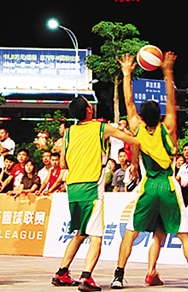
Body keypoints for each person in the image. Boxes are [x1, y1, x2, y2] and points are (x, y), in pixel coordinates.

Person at [110, 52, 188, 291]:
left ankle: (118, 276)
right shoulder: (168, 127)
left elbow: (128, 102)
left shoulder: (137, 128)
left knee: (130, 232)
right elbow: (171, 101)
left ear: (142, 116)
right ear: (160, 114)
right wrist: (167, 70)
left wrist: (126, 73)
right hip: (169, 185)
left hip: (148, 186)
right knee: (184, 234)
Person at [51, 96, 140, 292]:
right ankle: (86, 277)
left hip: (72, 187)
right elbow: (133, 140)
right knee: (96, 237)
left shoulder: (69, 132)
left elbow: (63, 163)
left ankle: (61, 273)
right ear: (89, 109)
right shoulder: (101, 128)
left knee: (80, 233)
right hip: (91, 186)